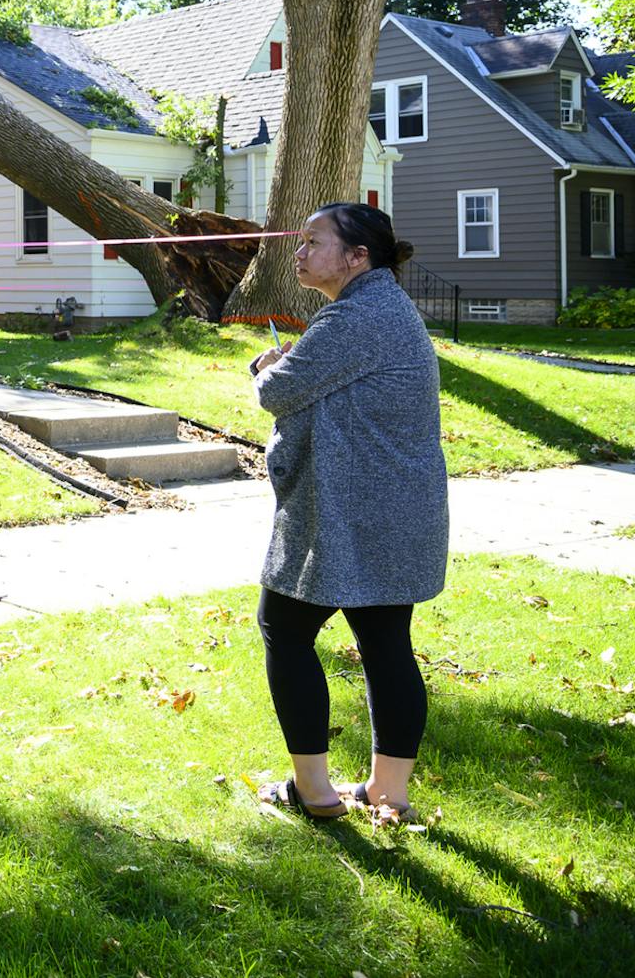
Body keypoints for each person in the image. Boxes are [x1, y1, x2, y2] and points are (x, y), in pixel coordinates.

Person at [247, 202, 448, 822]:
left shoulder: (360, 315)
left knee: (285, 627)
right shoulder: (381, 309)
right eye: (299, 242)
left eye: (313, 242)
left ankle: (314, 792)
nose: (299, 252)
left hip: (353, 512)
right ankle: (389, 796)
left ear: (358, 257)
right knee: (387, 644)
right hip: (397, 507)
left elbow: (278, 392)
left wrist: (268, 367)